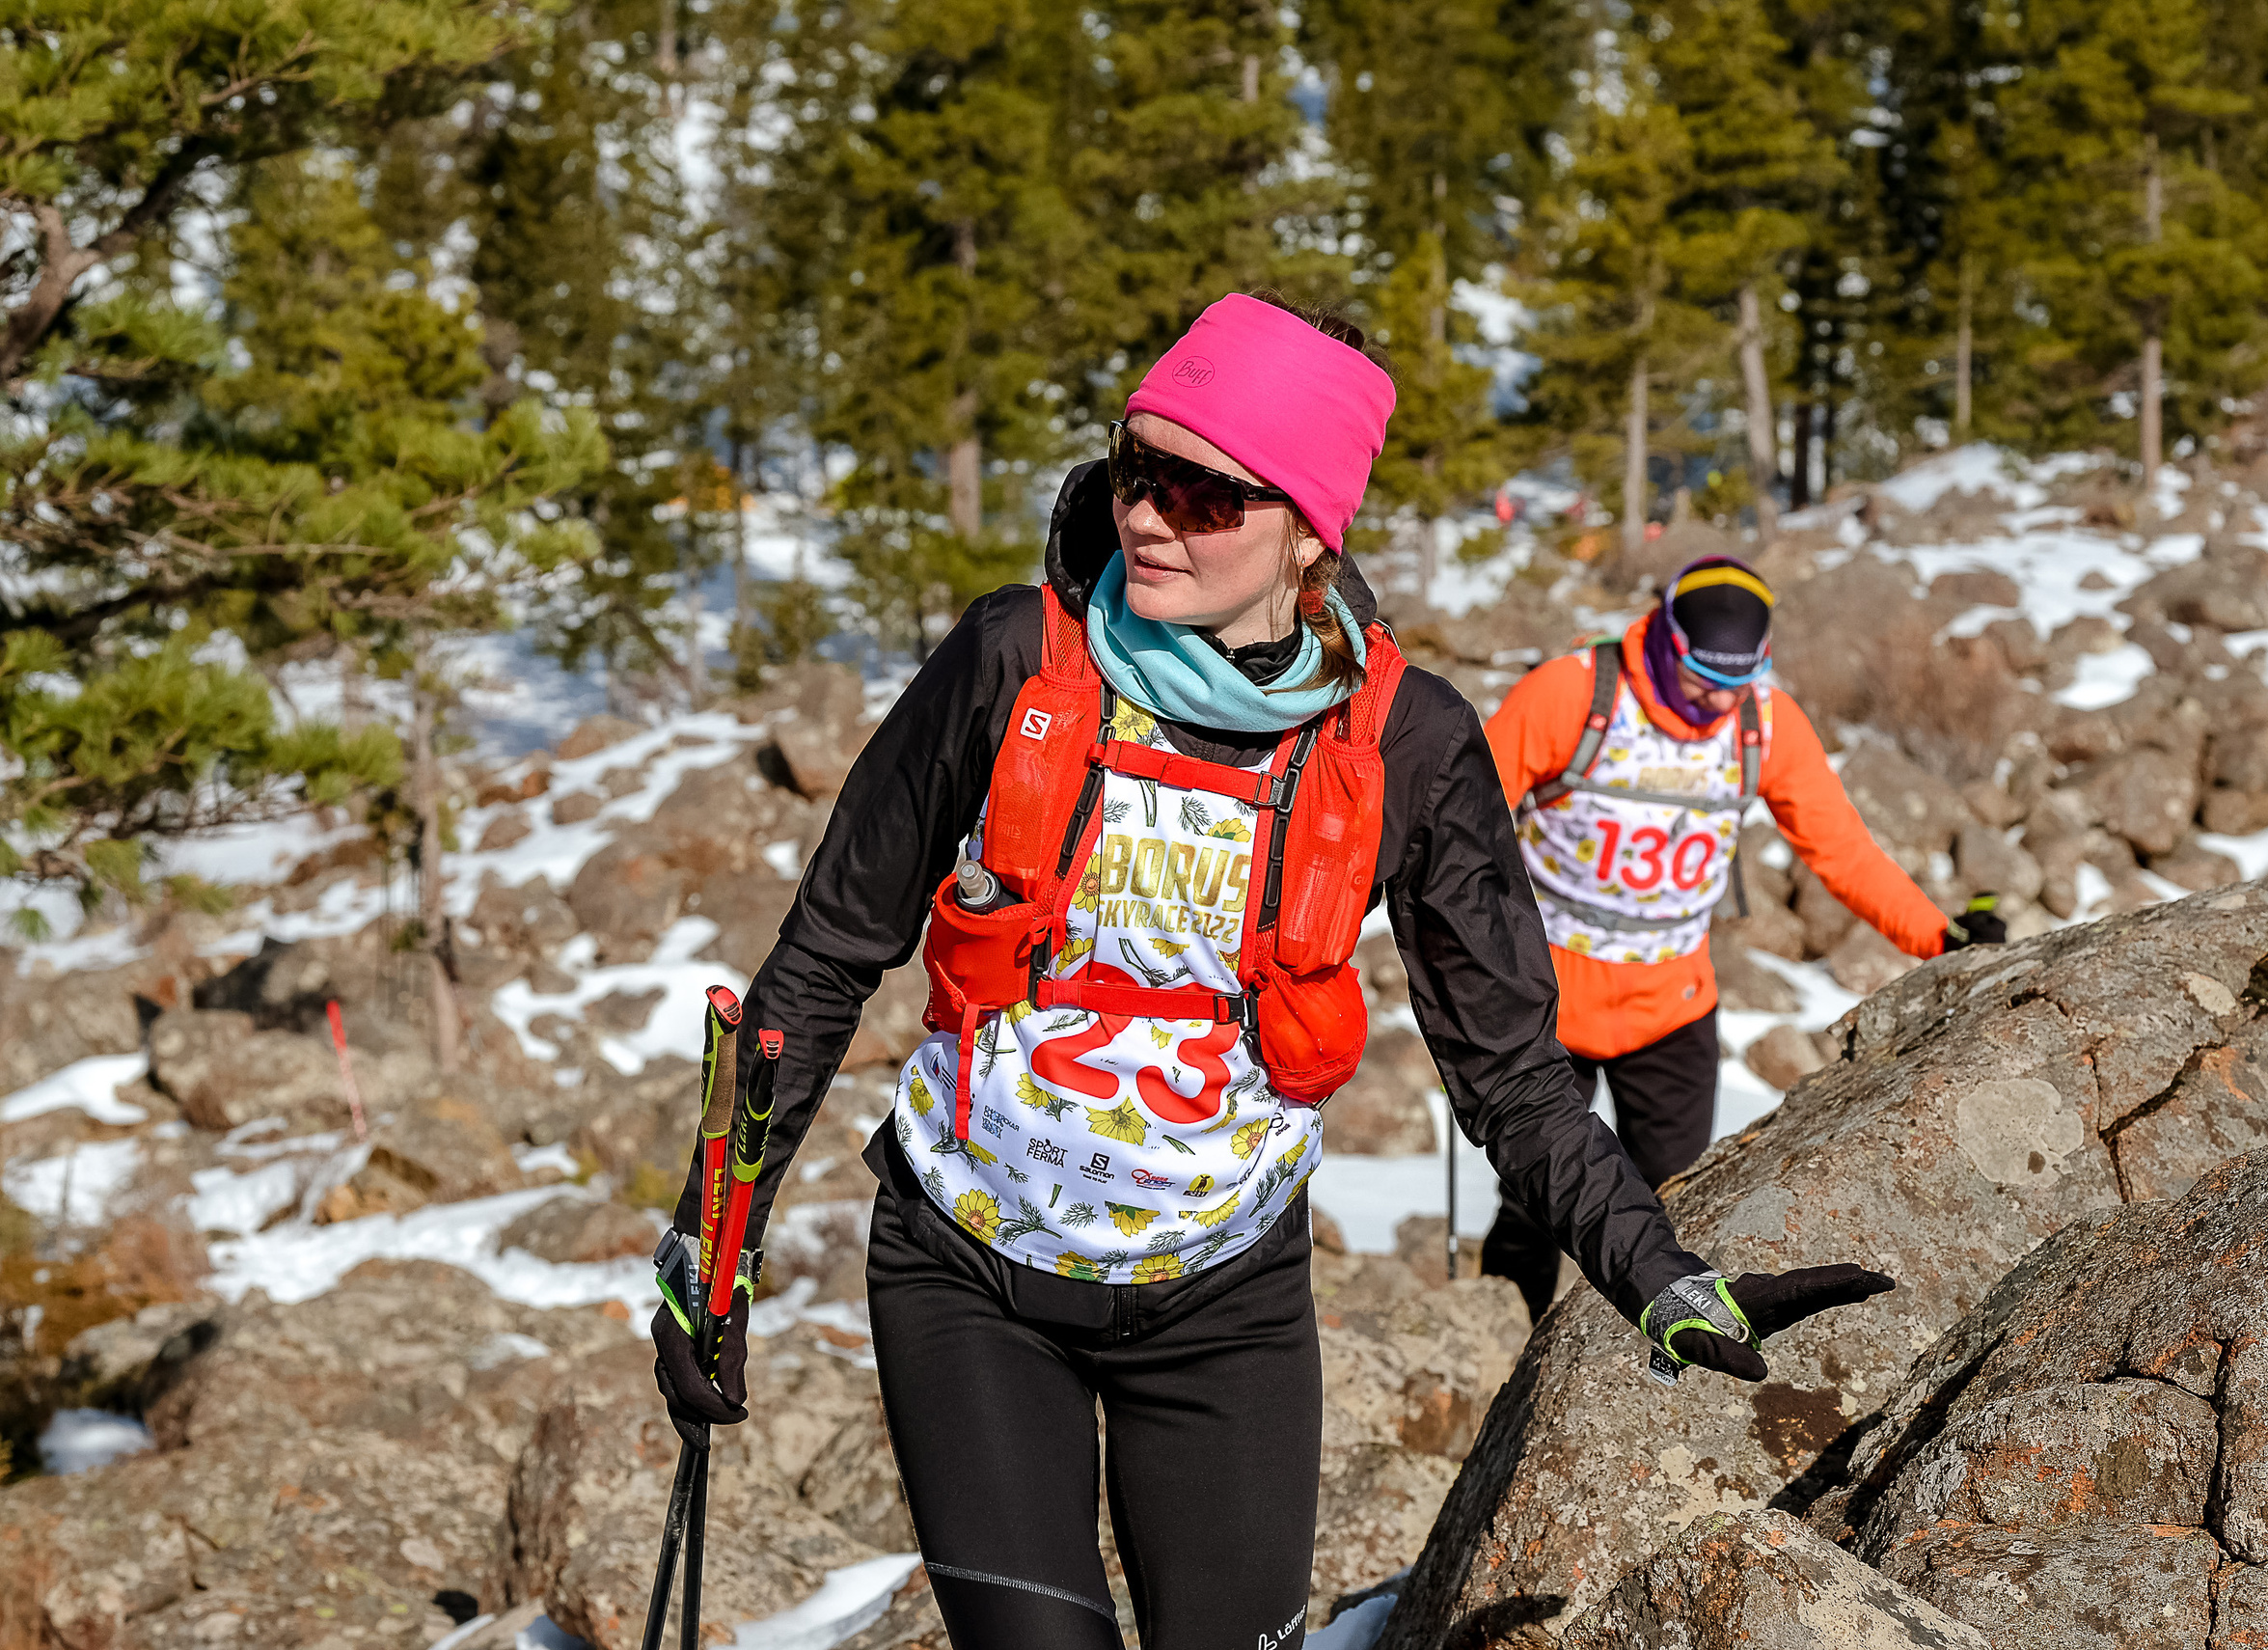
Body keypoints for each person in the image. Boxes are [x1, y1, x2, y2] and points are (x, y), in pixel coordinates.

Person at [650, 293, 1896, 1650]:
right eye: (1137, 469)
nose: (1148, 517)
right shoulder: (1016, 659)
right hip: (970, 1274)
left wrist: (1653, 1267)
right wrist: (711, 1246)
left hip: (1226, 1305)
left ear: (1310, 527)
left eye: (1204, 492)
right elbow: (828, 953)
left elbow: (1514, 1075)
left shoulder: (1405, 743)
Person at [1476, 557, 2006, 1322]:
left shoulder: (1762, 720)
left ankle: (1643, 1374)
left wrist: (1940, 935)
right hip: (1548, 1000)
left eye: (1735, 683)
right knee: (1538, 1205)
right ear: (1663, 639)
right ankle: (1497, 1353)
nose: (1713, 701)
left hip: (1673, 1008)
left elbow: (1840, 850)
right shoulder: (1574, 694)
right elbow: (1467, 813)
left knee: (1673, 1212)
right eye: (1697, 678)